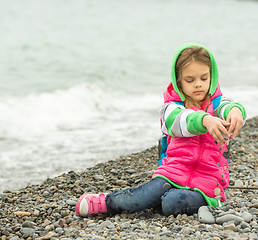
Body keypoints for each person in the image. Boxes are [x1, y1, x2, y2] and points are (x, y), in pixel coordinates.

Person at [75, 43, 247, 217]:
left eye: (204, 78)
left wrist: (236, 112)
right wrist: (205, 120)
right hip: (172, 173)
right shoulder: (171, 108)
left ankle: (164, 201)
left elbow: (230, 106)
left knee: (172, 202)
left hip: (207, 185)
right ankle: (105, 202)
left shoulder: (218, 105)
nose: (198, 85)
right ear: (178, 81)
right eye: (190, 80)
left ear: (212, 77)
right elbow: (180, 122)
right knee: (144, 195)